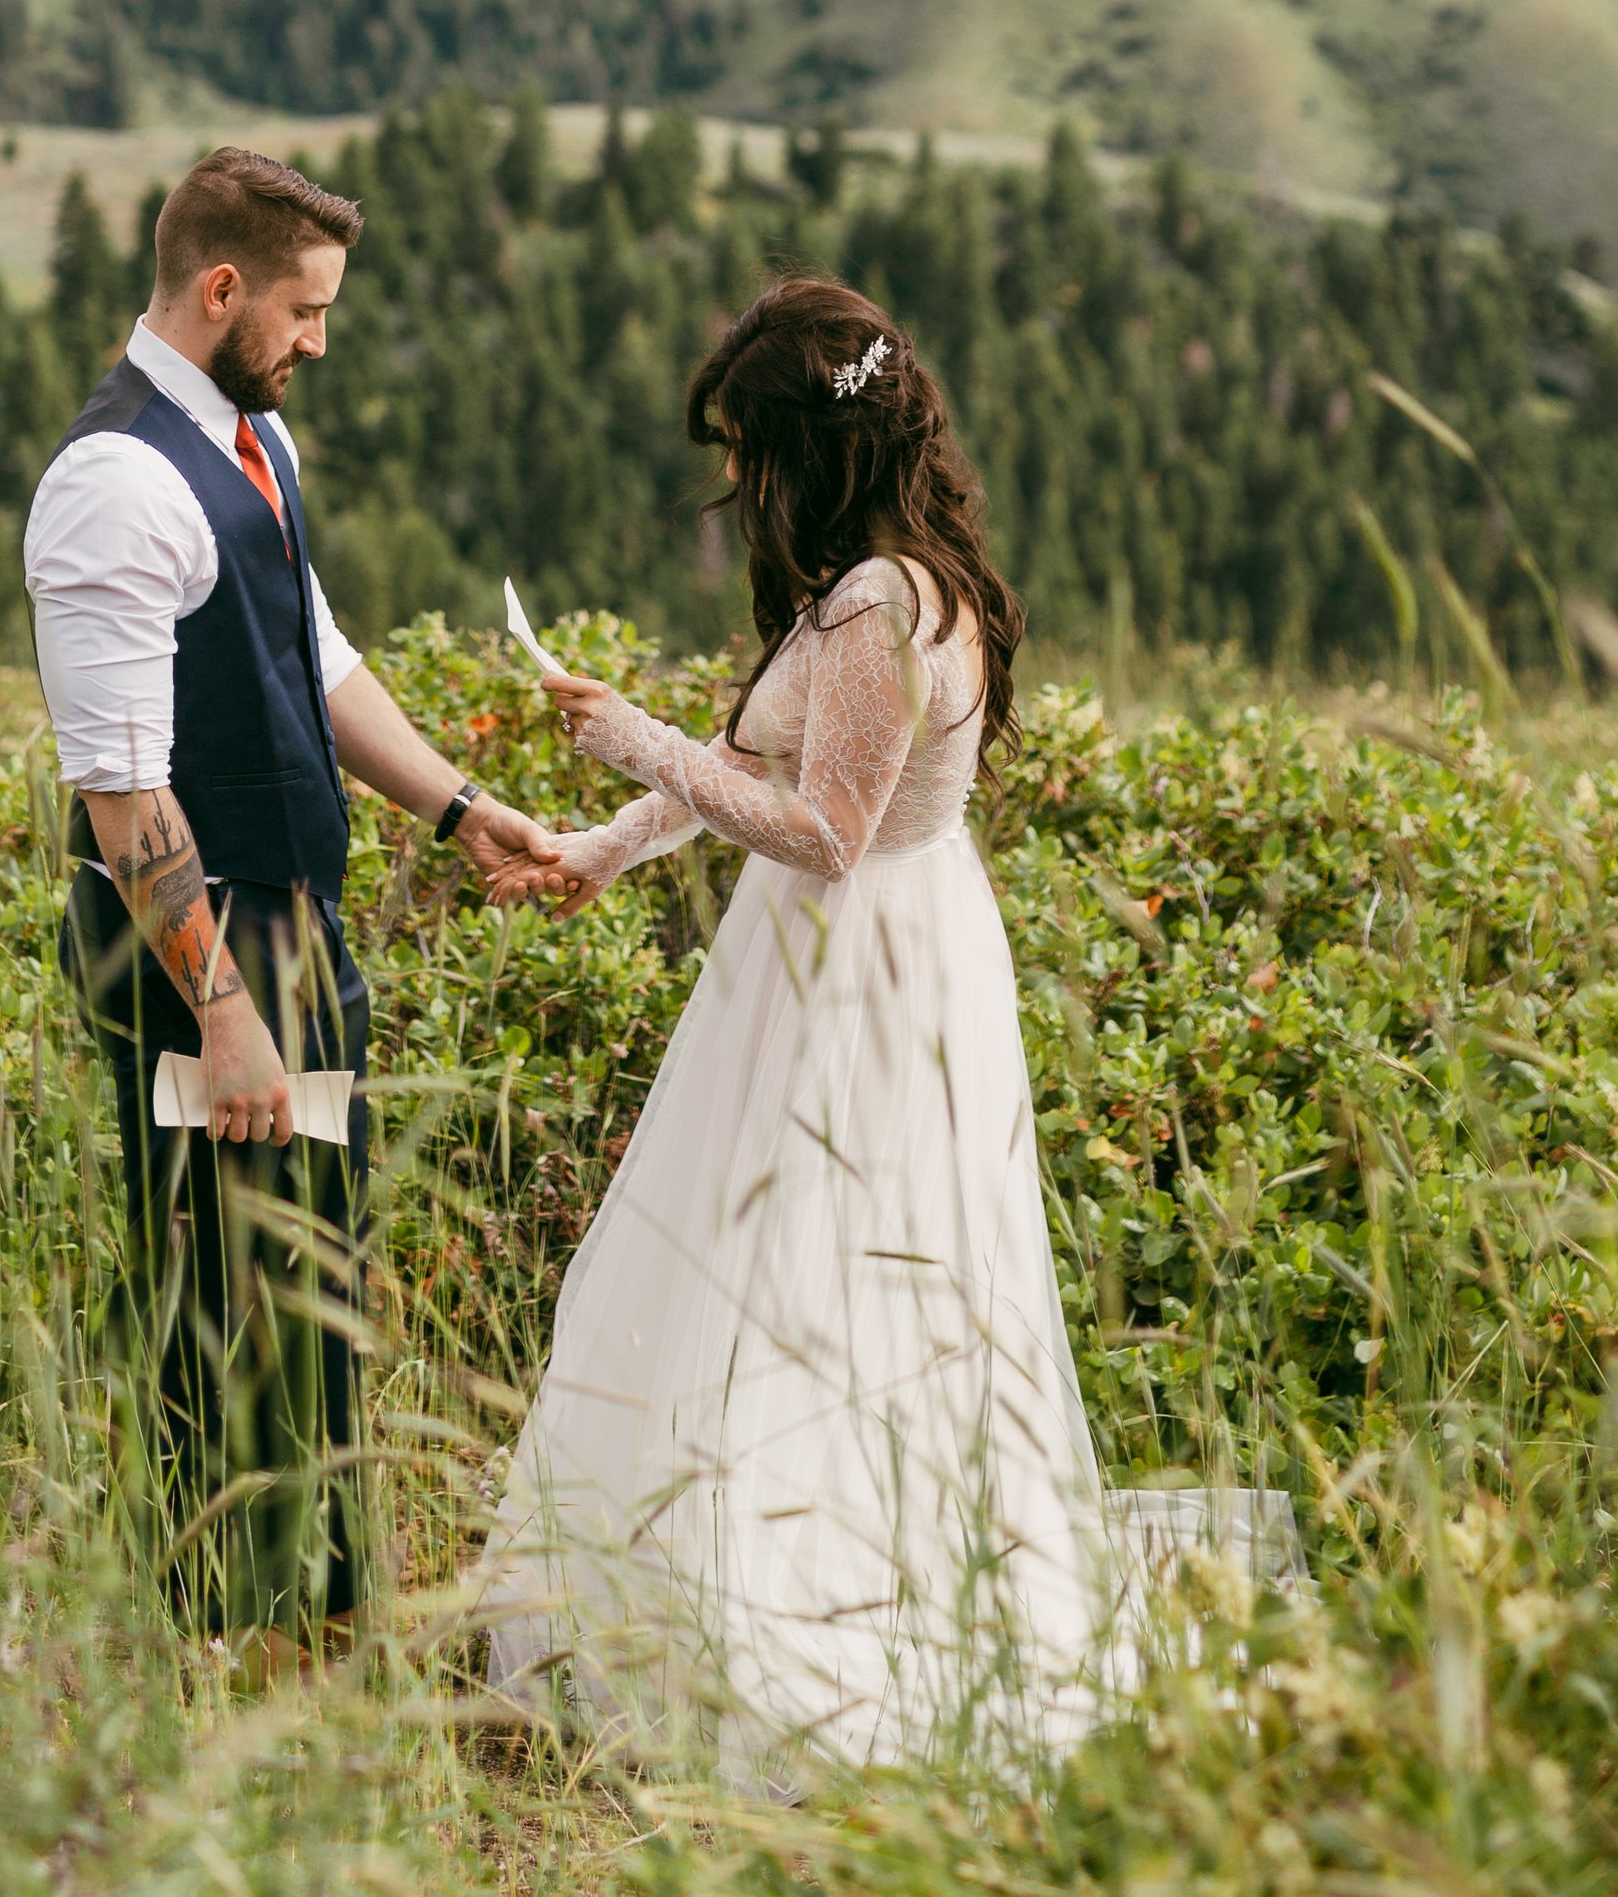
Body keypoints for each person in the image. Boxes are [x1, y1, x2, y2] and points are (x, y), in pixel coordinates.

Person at [479, 273, 1293, 1774]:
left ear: (811, 447)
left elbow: (824, 826)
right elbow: (751, 766)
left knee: (820, 1270)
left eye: (749, 452)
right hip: (849, 954)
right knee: (772, 1266)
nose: (737, 486)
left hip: (858, 971)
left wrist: (628, 729)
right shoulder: (884, 580)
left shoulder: (880, 603)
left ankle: (803, 1588)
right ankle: (725, 1551)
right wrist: (603, 842)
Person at [26, 142, 560, 1646]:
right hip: (196, 954)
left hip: (291, 939)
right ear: (220, 288)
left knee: (314, 1277)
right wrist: (225, 1008)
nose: (319, 341)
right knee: (220, 1307)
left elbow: (309, 659)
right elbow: (125, 799)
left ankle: (319, 1622)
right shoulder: (114, 484)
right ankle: (218, 1651)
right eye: (304, 310)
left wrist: (458, 809)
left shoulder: (258, 448)